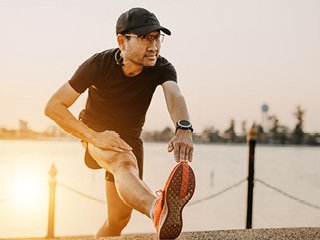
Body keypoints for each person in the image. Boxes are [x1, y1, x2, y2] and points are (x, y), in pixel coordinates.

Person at [45, 7, 195, 239]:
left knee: (118, 221)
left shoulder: (161, 67)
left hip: (131, 139)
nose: (153, 46)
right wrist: (93, 136)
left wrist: (183, 127)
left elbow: (174, 95)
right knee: (123, 161)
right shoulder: (98, 65)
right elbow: (54, 107)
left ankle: (155, 211)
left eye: (157, 38)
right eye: (145, 38)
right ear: (122, 41)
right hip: (97, 132)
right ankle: (158, 209)